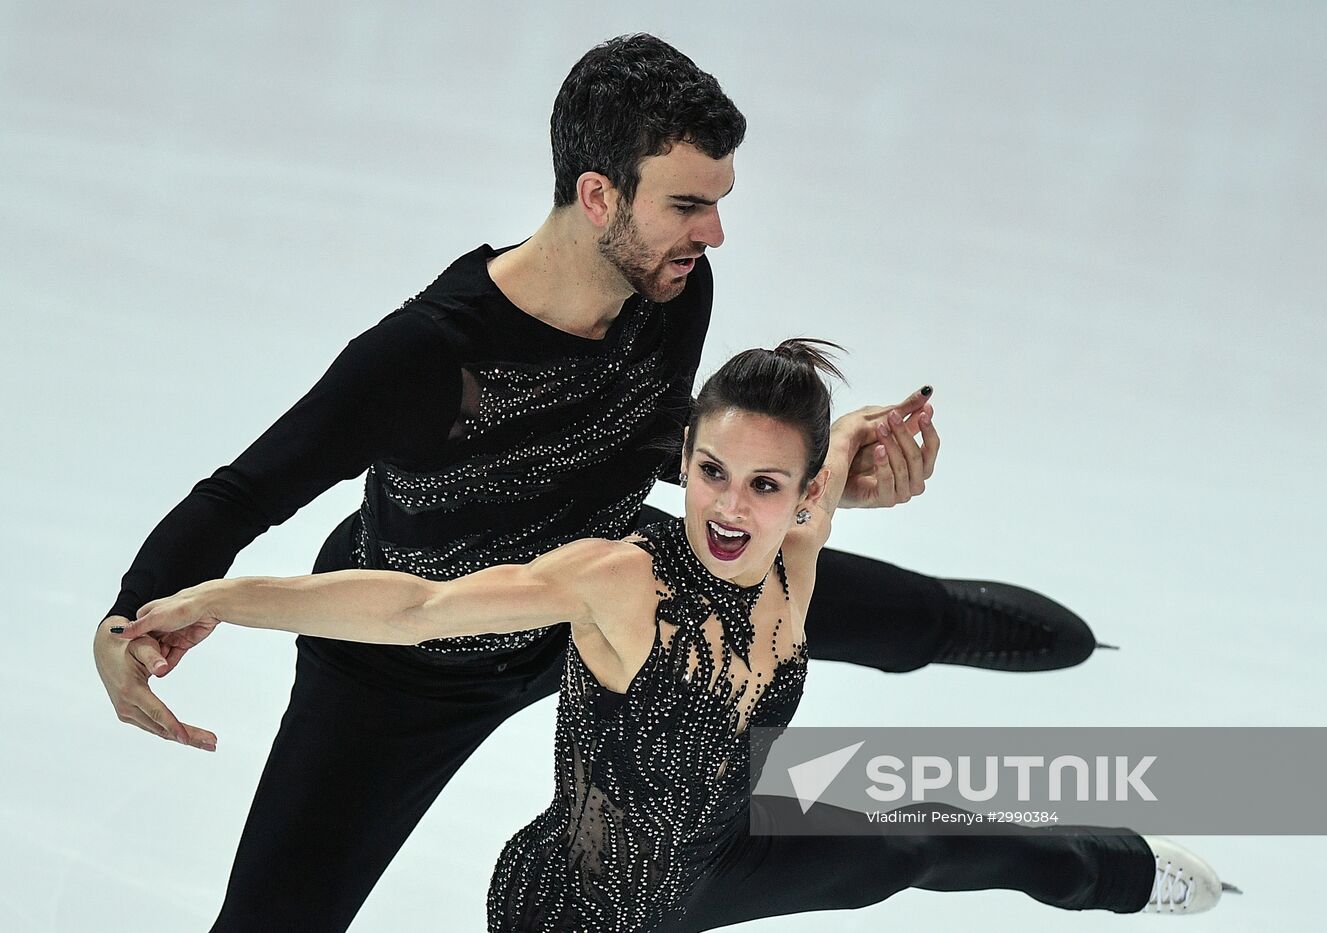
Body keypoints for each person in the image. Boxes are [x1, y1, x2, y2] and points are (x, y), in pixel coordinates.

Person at [94, 34, 1099, 931]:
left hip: (610, 598)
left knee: (901, 614)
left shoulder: (673, 291)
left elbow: (639, 438)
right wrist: (128, 619)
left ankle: (1104, 823)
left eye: (718, 203)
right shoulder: (422, 356)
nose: (713, 234)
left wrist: (796, 486)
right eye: (688, 205)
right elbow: (243, 491)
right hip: (404, 663)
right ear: (597, 195)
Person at [116, 340, 1230, 931]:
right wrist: (221, 595)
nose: (728, 508)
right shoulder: (619, 578)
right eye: (707, 472)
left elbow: (832, 459)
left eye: (763, 484)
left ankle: (1127, 873)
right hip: (575, 910)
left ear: (803, 496)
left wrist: (861, 432)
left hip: (721, 860)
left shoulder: (795, 552)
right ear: (684, 464)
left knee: (921, 840)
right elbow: (416, 607)